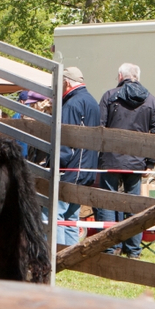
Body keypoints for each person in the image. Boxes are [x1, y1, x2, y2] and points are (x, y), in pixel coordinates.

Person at [97, 63, 155, 258]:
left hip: (110, 160)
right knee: (133, 205)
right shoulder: (152, 100)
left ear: (120, 76)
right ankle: (133, 249)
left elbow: (99, 128)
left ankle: (109, 248)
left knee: (108, 202)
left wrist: (99, 157)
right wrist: (150, 163)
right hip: (137, 162)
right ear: (138, 76)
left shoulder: (109, 96)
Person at [55, 66, 100, 246]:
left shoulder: (72, 104)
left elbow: (66, 141)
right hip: (88, 168)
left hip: (71, 169)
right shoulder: (92, 102)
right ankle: (70, 256)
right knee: (72, 216)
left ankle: (56, 255)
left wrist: (55, 165)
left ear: (66, 82)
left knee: (55, 214)